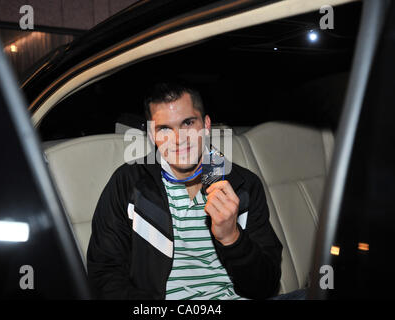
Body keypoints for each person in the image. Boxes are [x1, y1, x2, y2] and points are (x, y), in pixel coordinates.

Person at [87, 81, 303, 300]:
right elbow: (105, 278)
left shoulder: (242, 184)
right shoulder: (129, 184)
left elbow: (265, 285)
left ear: (206, 125)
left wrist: (231, 237)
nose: (179, 140)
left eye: (188, 123)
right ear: (152, 135)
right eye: (164, 129)